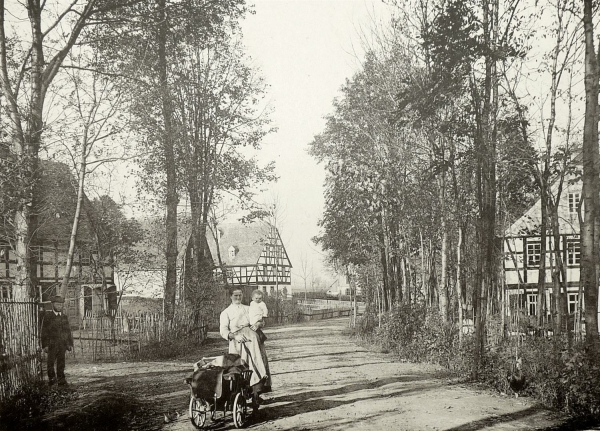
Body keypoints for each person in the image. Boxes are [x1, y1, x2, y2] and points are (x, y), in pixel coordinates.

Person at [220, 287, 272, 396]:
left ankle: (256, 394)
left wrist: (259, 323)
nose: (238, 297)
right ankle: (240, 396)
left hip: (254, 342)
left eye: (240, 295)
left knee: (256, 364)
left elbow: (261, 319)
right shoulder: (226, 312)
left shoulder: (249, 308)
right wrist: (234, 336)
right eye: (235, 295)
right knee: (241, 367)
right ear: (230, 296)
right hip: (237, 344)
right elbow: (223, 331)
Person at [41, 295, 73, 386]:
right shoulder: (48, 317)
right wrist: (45, 345)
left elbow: (68, 331)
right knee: (50, 362)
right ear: (53, 305)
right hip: (52, 344)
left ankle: (61, 379)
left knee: (61, 362)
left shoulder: (64, 317)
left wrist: (69, 344)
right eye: (58, 305)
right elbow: (44, 332)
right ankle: (52, 379)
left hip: (62, 344)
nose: (60, 306)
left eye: (61, 305)